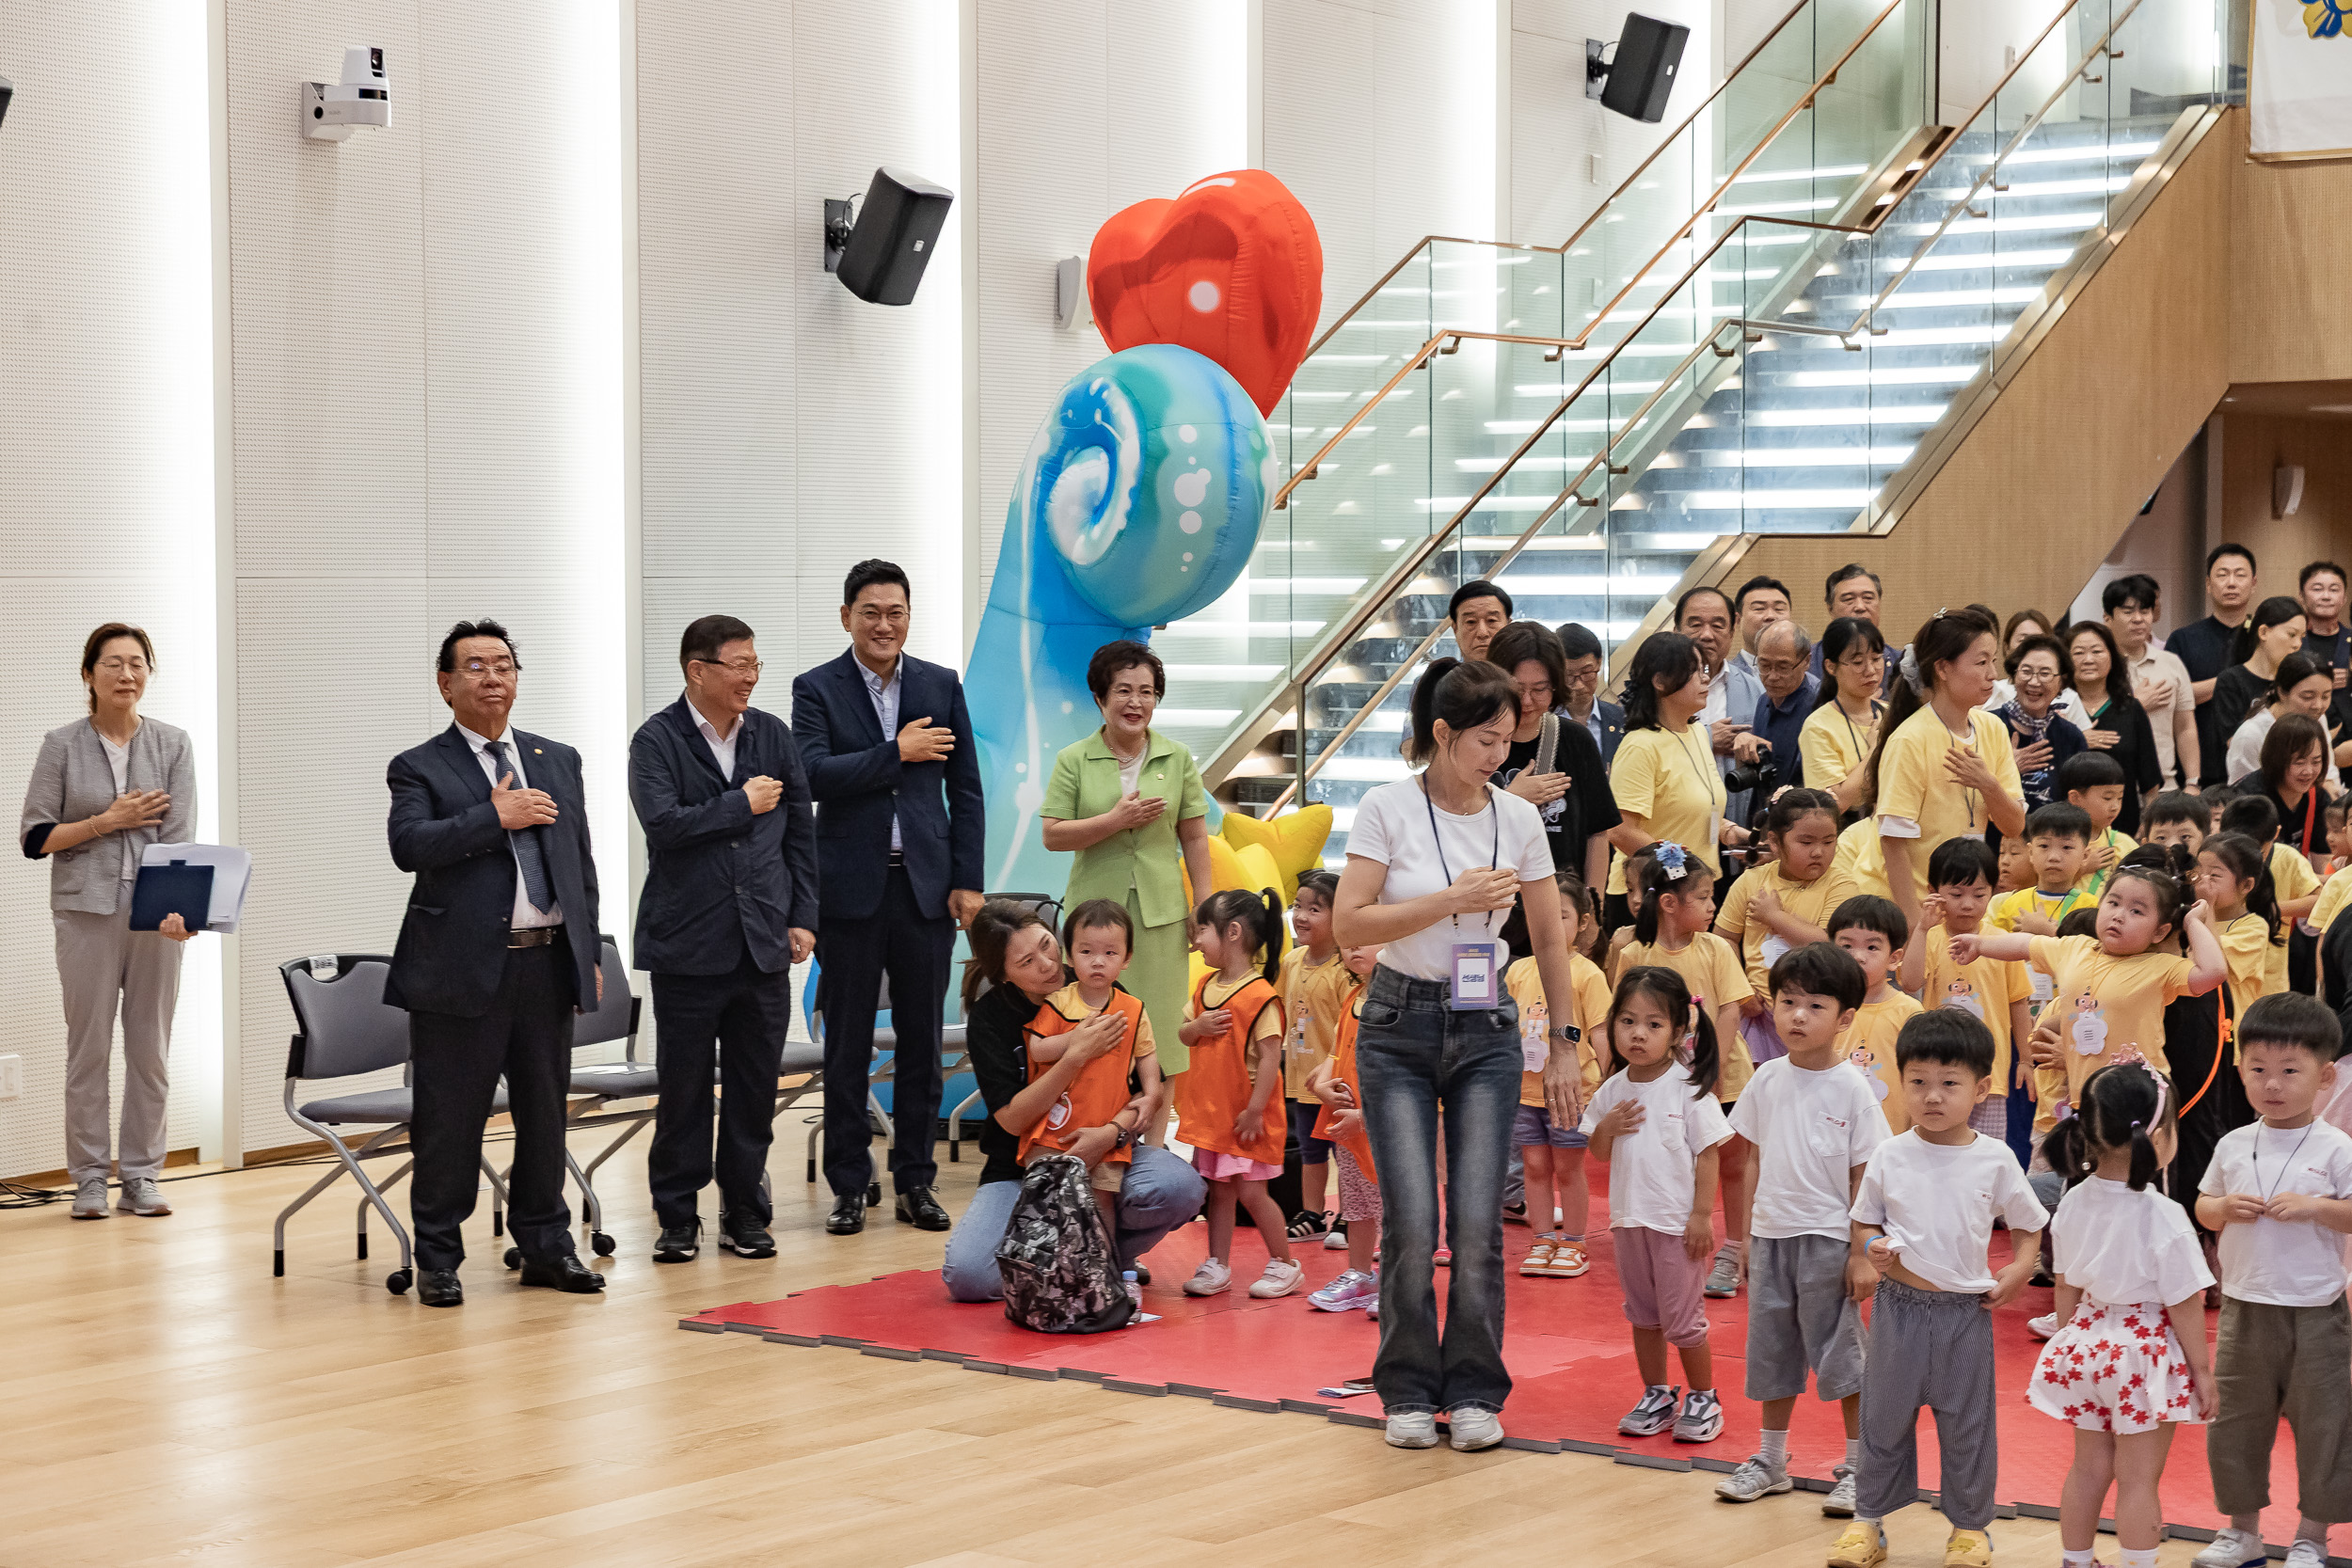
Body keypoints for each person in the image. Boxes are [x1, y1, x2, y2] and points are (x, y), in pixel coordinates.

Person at [1330, 657, 1580, 1453]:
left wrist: (1568, 1042)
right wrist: (1453, 900)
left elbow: (1546, 934)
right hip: (1398, 1022)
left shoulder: (1514, 816)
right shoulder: (1384, 806)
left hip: (1487, 1028)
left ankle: (1473, 1385)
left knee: (1476, 1219)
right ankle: (1405, 1387)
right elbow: (1349, 925)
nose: (1498, 756)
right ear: (1441, 734)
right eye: (1484, 739)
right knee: (1412, 1215)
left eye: (1509, 740)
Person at [385, 619, 605, 1307]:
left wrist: (587, 949)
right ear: (446, 683)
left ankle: (545, 1244)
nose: (492, 677)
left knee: (545, 1116)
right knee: (451, 1121)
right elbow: (410, 845)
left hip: (545, 963)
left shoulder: (557, 756)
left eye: (503, 664)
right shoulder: (419, 764)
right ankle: (439, 1256)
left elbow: (579, 862)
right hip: (459, 972)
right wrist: (494, 816)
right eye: (475, 666)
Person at [794, 560, 986, 1237]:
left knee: (921, 1044)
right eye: (871, 612)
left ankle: (915, 1181)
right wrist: (895, 750)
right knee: (846, 1044)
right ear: (846, 615)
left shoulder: (939, 682)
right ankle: (849, 1184)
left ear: (910, 616)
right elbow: (811, 775)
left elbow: (965, 788)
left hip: (926, 889)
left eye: (896, 612)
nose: (884, 624)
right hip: (848, 890)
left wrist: (968, 879)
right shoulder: (816, 687)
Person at [1829, 1012, 2049, 1568]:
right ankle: (1868, 1524)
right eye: (1918, 1082)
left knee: (1967, 1422)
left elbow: (2030, 1223)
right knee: (1883, 1415)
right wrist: (1873, 1246)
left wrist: (2022, 1267)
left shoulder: (1995, 1158)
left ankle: (1971, 1529)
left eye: (1949, 1083)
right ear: (1901, 1084)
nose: (1932, 1096)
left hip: (1964, 1314)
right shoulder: (1890, 1153)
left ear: (1980, 1089)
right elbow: (1865, 1222)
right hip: (1899, 1308)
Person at [631, 614, 818, 1263]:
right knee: (683, 1091)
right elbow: (664, 824)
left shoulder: (772, 734)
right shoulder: (655, 740)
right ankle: (677, 1217)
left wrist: (803, 915)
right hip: (687, 944)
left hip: (763, 939)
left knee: (752, 1090)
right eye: (739, 664)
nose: (750, 676)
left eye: (755, 664)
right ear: (698, 670)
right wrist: (741, 803)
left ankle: (746, 1211)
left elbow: (800, 832)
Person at [18, 623, 196, 1221]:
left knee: (150, 1050)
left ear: (149, 673)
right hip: (84, 911)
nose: (126, 674)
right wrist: (108, 820)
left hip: (155, 916)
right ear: (89, 674)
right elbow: (36, 838)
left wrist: (182, 914)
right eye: (113, 664)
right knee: (88, 1048)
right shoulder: (61, 745)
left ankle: (142, 1175)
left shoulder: (173, 744)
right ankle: (90, 1178)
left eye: (138, 664)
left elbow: (179, 840)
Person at [941, 900, 1203, 1300]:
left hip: (1105, 1145)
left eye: (1047, 946)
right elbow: (1011, 1120)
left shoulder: (1097, 985)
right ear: (1004, 975)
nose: (1046, 965)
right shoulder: (990, 1018)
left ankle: (1102, 1261)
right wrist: (1075, 1053)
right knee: (968, 1277)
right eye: (1026, 962)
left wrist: (1112, 1132)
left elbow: (1145, 1089)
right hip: (1024, 1165)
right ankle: (1077, 1260)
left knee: (1181, 1186)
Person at [1713, 942, 1885, 1515]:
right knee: (1770, 1352)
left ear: (1845, 1019)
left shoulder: (1853, 1088)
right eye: (1787, 1002)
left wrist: (1861, 1252)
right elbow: (1752, 1162)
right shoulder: (1766, 1079)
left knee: (1842, 1357)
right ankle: (1770, 1460)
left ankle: (1860, 1468)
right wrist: (1743, 1238)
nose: (1797, 1016)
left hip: (1828, 1242)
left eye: (1815, 1005)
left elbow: (1868, 1176)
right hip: (1771, 1238)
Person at [2027, 1062, 2215, 1568]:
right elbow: (2184, 1303)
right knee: (2138, 1479)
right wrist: (2201, 1371)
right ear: (2158, 1137)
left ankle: (2075, 1558)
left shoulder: (2073, 1202)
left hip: (2085, 1342)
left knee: (2087, 1468)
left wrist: (2069, 1339)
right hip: (2142, 1354)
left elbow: (2064, 1283)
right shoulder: (2164, 1216)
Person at [2193, 993, 2352, 1568]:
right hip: (2243, 1304)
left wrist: (2314, 1207)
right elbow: (2203, 1206)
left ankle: (2312, 1535)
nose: (2272, 1084)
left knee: (2324, 1422)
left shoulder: (2336, 1147)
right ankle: (2242, 1532)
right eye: (2258, 1070)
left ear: (2325, 1075)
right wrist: (2220, 1209)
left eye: (2290, 1071)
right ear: (2240, 1072)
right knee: (2237, 1420)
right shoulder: (2234, 1143)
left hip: (2317, 1307)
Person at [1040, 641, 1214, 1091]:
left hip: (1162, 915)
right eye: (1123, 690)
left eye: (1147, 691)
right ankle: (1098, 1142)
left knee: (1163, 1032)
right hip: (1094, 918)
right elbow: (1053, 835)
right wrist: (1112, 821)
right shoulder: (1072, 759)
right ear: (1100, 698)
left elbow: (1194, 837)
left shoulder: (1177, 758)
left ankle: (1153, 1153)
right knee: (1094, 1028)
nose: (1136, 702)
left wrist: (1205, 903)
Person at [1952, 861, 2226, 1126]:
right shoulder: (2074, 948)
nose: (2119, 915)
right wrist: (1980, 944)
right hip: (2085, 1099)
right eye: (2113, 903)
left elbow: (2214, 972)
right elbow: (2026, 944)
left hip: (2141, 1100)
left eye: (2137, 911)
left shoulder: (2160, 968)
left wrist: (2192, 923)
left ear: (2160, 931)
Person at [1584, 965, 1734, 1446]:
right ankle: (1656, 1393)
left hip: (1675, 1225)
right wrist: (1605, 1128)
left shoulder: (1688, 1087)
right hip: (1629, 1221)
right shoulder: (1613, 1089)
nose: (1637, 1034)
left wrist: (1699, 1216)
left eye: (1653, 1024)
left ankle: (1704, 1396)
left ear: (1677, 1032)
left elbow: (1708, 1154)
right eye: (1627, 1021)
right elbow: (1599, 1153)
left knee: (1684, 1320)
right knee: (1643, 1315)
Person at [1615, 843, 1756, 1294]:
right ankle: (1671, 1241)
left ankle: (1734, 1249)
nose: (1714, 905)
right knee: (1672, 1161)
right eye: (1705, 896)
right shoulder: (1634, 954)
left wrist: (1712, 1070)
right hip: (1661, 1086)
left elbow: (1732, 1009)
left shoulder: (1716, 948)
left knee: (1732, 1163)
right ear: (1670, 904)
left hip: (1722, 1076)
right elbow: (1622, 1019)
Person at [1851, 607, 2026, 928]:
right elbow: (1892, 843)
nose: (1993, 675)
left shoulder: (1993, 728)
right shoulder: (1910, 739)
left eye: (1994, 662)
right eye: (1981, 662)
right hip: (1897, 909)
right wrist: (1916, 925)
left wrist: (1988, 784)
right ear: (1943, 669)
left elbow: (2014, 827)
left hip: (1959, 908)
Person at [1176, 889, 1297, 1298]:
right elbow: (1184, 1033)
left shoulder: (1261, 996)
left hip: (1246, 1118)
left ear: (1231, 932)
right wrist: (1198, 1029)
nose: (1196, 941)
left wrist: (1254, 1110)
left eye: (1202, 931)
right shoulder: (1205, 986)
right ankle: (1218, 1264)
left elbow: (1269, 1059)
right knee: (1220, 1191)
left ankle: (1284, 1262)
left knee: (1251, 1191)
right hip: (1215, 1117)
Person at [1019, 900, 1161, 1232]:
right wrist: (1078, 1041)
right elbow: (1037, 1049)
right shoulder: (1058, 1003)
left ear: (1126, 959)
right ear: (1069, 956)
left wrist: (1152, 1093)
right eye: (1086, 952)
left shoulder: (1133, 1009)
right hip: (1055, 1132)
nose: (1098, 961)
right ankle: (1051, 1278)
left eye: (1110, 953)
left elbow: (1147, 1055)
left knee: (1102, 1204)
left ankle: (1105, 1276)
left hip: (1106, 1130)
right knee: (1049, 1206)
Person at [1901, 839, 2036, 1160]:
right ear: (1934, 891)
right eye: (1956, 894)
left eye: (1979, 894)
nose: (1967, 904)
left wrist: (2027, 1059)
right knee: (1936, 1150)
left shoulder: (2003, 943)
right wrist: (1921, 928)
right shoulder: (1931, 938)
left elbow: (2018, 1004)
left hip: (1989, 1075)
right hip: (1939, 1075)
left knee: (1985, 1157)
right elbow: (1909, 982)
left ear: (1992, 891)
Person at [1505, 872, 1611, 1278]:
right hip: (1525, 1092)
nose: (1548, 925)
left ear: (1582, 922)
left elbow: (1601, 1033)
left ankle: (1575, 1242)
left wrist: (1603, 1087)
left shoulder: (1588, 974)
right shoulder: (1517, 972)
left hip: (1571, 1093)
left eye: (1561, 916)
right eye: (1538, 916)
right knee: (1533, 1167)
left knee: (1567, 1168)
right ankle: (1543, 1236)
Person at [1714, 790, 1856, 1069]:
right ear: (1775, 843)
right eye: (1806, 842)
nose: (1819, 851)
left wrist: (1774, 916)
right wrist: (1741, 990)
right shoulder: (1750, 882)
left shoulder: (1842, 884)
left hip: (1816, 1014)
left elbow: (1829, 945)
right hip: (1756, 1010)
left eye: (1829, 842)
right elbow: (1724, 940)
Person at [1605, 630, 1736, 923]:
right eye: (1693, 671)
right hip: (1648, 895)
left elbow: (1694, 809)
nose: (1705, 678)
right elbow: (1621, 831)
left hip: (1695, 892)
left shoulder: (1699, 733)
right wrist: (1679, 871)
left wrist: (1731, 833)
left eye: (1704, 669)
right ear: (1661, 681)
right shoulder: (1641, 744)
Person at [1487, 621, 1617, 893]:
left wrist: (1592, 908)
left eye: (1540, 689)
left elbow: (1598, 832)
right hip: (1491, 899)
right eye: (1516, 688)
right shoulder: (1475, 741)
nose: (1526, 701)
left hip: (1563, 905)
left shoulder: (1576, 741)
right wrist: (1511, 798)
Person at [1307, 942, 1387, 1316]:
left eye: (1366, 936)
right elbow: (1337, 1053)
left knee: (1392, 1209)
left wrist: (1366, 1115)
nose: (1353, 945)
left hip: (1382, 1129)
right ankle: (1359, 1275)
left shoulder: (1396, 1005)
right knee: (1356, 1207)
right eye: (1348, 937)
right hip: (1347, 1127)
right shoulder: (1354, 995)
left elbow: (1405, 1077)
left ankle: (1396, 1281)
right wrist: (1323, 1084)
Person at [1277, 869, 1351, 1241]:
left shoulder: (1345, 969)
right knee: (1310, 1150)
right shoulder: (1291, 962)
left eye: (1315, 909)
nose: (1301, 916)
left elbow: (1348, 1029)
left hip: (1336, 1083)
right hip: (1301, 1079)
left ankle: (1352, 1213)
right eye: (1297, 906)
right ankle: (1312, 1212)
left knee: (1345, 1150)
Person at [2059, 620, 2162, 837]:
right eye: (2078, 653)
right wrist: (2078, 740)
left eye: (2097, 651)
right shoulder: (2057, 708)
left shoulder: (2131, 709)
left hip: (2124, 826)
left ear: (2112, 658)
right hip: (2065, 829)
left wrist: (2146, 827)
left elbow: (2150, 784)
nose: (2088, 659)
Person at [1828, 896, 1924, 1130]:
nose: (1858, 957)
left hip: (1892, 1136)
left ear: (1894, 959)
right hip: (1834, 1133)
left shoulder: (1910, 1012)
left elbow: (1922, 1077)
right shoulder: (1824, 1008)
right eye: (1847, 946)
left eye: (1872, 947)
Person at [2103, 575, 2202, 791]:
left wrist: (2193, 782)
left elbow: (2185, 727)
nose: (2138, 619)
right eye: (2128, 612)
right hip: (2111, 788)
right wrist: (2136, 706)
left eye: (2145, 611)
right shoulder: (2097, 666)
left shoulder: (2171, 663)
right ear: (2107, 618)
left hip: (2165, 786)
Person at [2172, 546, 2261, 784]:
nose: (2231, 583)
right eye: (2222, 575)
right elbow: (2173, 698)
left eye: (2240, 575)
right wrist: (2232, 679)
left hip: (2257, 767)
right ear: (2209, 584)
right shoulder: (2183, 639)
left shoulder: (2266, 637)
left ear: (2253, 583)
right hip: (2198, 768)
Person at [1678, 588, 1766, 816]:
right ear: (1677, 629)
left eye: (1717, 625)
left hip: (1736, 824)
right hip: (1676, 826)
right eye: (1695, 624)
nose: (1706, 635)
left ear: (1732, 629)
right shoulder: (1656, 691)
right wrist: (1707, 738)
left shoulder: (1757, 689)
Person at [1803, 617, 1888, 816]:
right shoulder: (1818, 726)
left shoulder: (1891, 714)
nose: (1871, 670)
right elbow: (1835, 803)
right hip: (1847, 839)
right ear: (1831, 667)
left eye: (1876, 659)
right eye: (1858, 662)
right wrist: (1876, 748)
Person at [2211, 594, 2311, 756]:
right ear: (2264, 632)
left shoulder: (2296, 682)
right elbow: (2234, 742)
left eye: (2302, 637)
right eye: (2292, 635)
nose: (2298, 644)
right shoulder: (2231, 681)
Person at [1997, 633, 2084, 819]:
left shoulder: (2071, 736)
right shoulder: (1988, 726)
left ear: (2061, 681)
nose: (2034, 682)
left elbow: (2080, 804)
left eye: (2045, 673)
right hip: (2000, 843)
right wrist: (2008, 769)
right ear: (2013, 675)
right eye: (2026, 671)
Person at [2193, 832, 2280, 1017]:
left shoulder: (2254, 928)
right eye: (2198, 872)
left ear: (2246, 885)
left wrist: (2207, 904)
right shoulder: (2191, 915)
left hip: (2229, 1027)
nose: (2202, 880)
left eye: (2215, 875)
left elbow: (2214, 964)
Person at [2225, 652, 2342, 787]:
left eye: (2325, 696)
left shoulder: (2318, 719)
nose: (2318, 706)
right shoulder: (2251, 735)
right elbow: (2243, 795)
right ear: (2281, 692)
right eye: (2308, 697)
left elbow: (2329, 775)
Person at [2058, 752, 2137, 899]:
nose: (2115, 806)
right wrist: (2083, 869)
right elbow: (2038, 888)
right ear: (2075, 798)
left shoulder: (2124, 844)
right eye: (2107, 798)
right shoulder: (2054, 842)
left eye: (2119, 798)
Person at [1751, 620, 1817, 787]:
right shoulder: (1763, 701)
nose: (1772, 676)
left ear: (1806, 661)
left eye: (1783, 667)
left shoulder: (1817, 709)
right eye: (1764, 665)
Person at [1556, 622, 1625, 765]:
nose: (1579, 685)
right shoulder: (1543, 722)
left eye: (1586, 672)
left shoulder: (1622, 719)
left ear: (1599, 662)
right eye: (1569, 676)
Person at [2300, 560, 2352, 739]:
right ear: (2301, 596)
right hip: (2302, 735)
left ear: (2344, 598)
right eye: (2317, 589)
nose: (2326, 596)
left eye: (2334, 589)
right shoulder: (2292, 642)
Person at [1730, 575, 1794, 684]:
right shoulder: (1725, 676)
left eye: (1779, 609)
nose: (1770, 616)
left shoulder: (1808, 674)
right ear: (1738, 620)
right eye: (1759, 609)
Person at [1448, 578, 1513, 665]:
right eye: (1471, 622)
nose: (1482, 633)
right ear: (1455, 629)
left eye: (1491, 620)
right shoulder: (1443, 678)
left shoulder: (1529, 677)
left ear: (1509, 626)